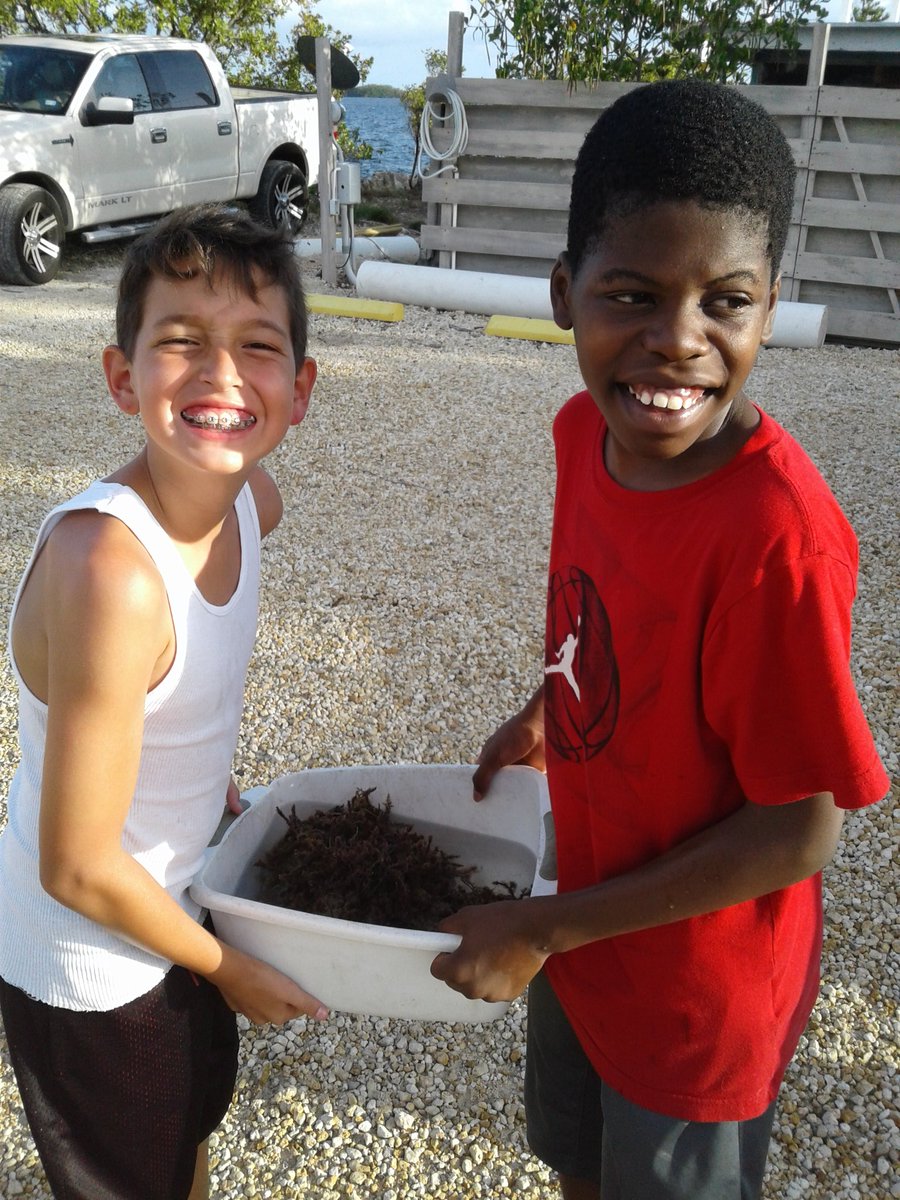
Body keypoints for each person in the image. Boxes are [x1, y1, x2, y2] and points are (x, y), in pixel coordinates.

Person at [430, 81, 889, 1200]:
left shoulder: (776, 542)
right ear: (564, 294)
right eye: (631, 294)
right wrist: (550, 708)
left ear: (769, 305)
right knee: (576, 1166)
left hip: (694, 999)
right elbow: (604, 616)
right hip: (584, 933)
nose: (678, 341)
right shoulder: (581, 432)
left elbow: (798, 829)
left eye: (725, 302)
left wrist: (544, 929)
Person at [0, 203, 324, 1200]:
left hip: (182, 901)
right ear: (121, 376)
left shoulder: (253, 503)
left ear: (300, 389)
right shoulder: (110, 571)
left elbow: (184, 689)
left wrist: (202, 782)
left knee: (187, 1134)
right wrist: (228, 969)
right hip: (93, 965)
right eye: (181, 340)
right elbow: (76, 865)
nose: (222, 375)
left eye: (258, 346)